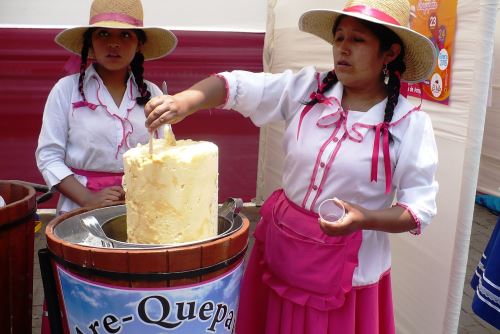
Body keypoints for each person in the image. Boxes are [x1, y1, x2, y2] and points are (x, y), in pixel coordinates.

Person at [144, 0, 438, 332]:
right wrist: (186, 102)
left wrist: (364, 218)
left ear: (390, 52)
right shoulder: (310, 89)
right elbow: (237, 87)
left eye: (357, 40)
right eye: (339, 38)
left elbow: (419, 209)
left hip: (347, 272)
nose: (342, 48)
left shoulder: (409, 125)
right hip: (283, 250)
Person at [36, 0, 177, 215]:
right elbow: (49, 156)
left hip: (142, 208)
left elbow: (165, 154)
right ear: (89, 41)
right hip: (79, 210)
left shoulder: (153, 93)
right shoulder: (66, 90)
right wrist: (87, 198)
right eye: (103, 34)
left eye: (125, 35)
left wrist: (138, 188)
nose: (114, 43)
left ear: (139, 44)